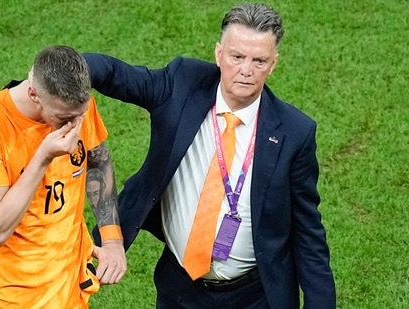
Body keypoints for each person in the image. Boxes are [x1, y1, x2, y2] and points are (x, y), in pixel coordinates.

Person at [85, 3, 335, 308]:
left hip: (254, 297)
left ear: (273, 64)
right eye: (237, 56)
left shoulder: (295, 133)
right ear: (219, 54)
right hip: (179, 288)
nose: (246, 70)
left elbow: (308, 233)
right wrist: (58, 72)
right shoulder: (181, 83)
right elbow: (116, 75)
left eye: (259, 61)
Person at [0, 45, 126, 308]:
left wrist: (112, 238)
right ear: (34, 94)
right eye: (64, 118)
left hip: (71, 288)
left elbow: (98, 160)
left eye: (80, 115)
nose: (74, 126)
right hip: (13, 297)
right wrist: (43, 157)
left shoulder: (75, 108)